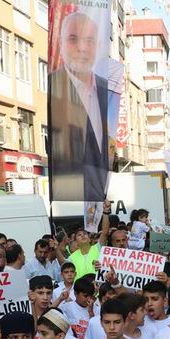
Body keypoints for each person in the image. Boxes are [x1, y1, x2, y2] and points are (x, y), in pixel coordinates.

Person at [49, 11, 110, 205]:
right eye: (73, 39)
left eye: (90, 41)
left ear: (98, 46)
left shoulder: (107, 90)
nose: (82, 48)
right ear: (60, 42)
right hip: (68, 184)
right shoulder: (52, 86)